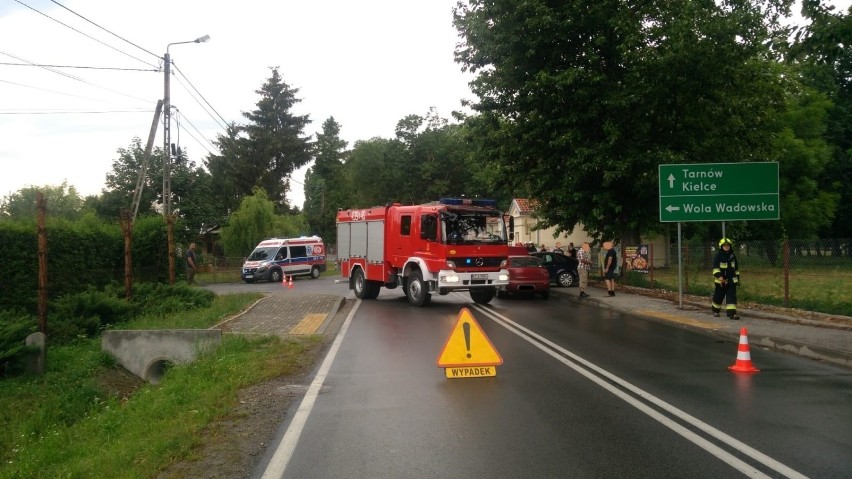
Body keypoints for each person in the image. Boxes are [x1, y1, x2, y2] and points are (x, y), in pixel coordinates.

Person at [712, 238, 741, 319]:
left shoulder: (733, 256)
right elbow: (715, 268)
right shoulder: (718, 257)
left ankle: (732, 314)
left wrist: (738, 280)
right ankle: (716, 311)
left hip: (731, 281)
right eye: (724, 245)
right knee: (718, 297)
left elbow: (736, 270)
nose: (726, 247)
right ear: (721, 246)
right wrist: (719, 276)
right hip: (721, 282)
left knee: (731, 297)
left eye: (728, 245)